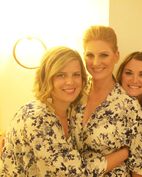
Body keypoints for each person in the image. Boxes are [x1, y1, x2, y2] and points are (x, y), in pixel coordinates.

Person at [0, 46, 129, 176]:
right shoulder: (37, 118)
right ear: (46, 78)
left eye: (76, 75)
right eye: (61, 75)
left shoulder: (70, 111)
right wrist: (124, 153)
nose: (70, 82)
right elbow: (75, 174)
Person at [71, 26, 142, 177]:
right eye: (90, 55)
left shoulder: (129, 106)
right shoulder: (74, 94)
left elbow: (137, 168)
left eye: (103, 55)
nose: (95, 62)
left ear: (116, 56)